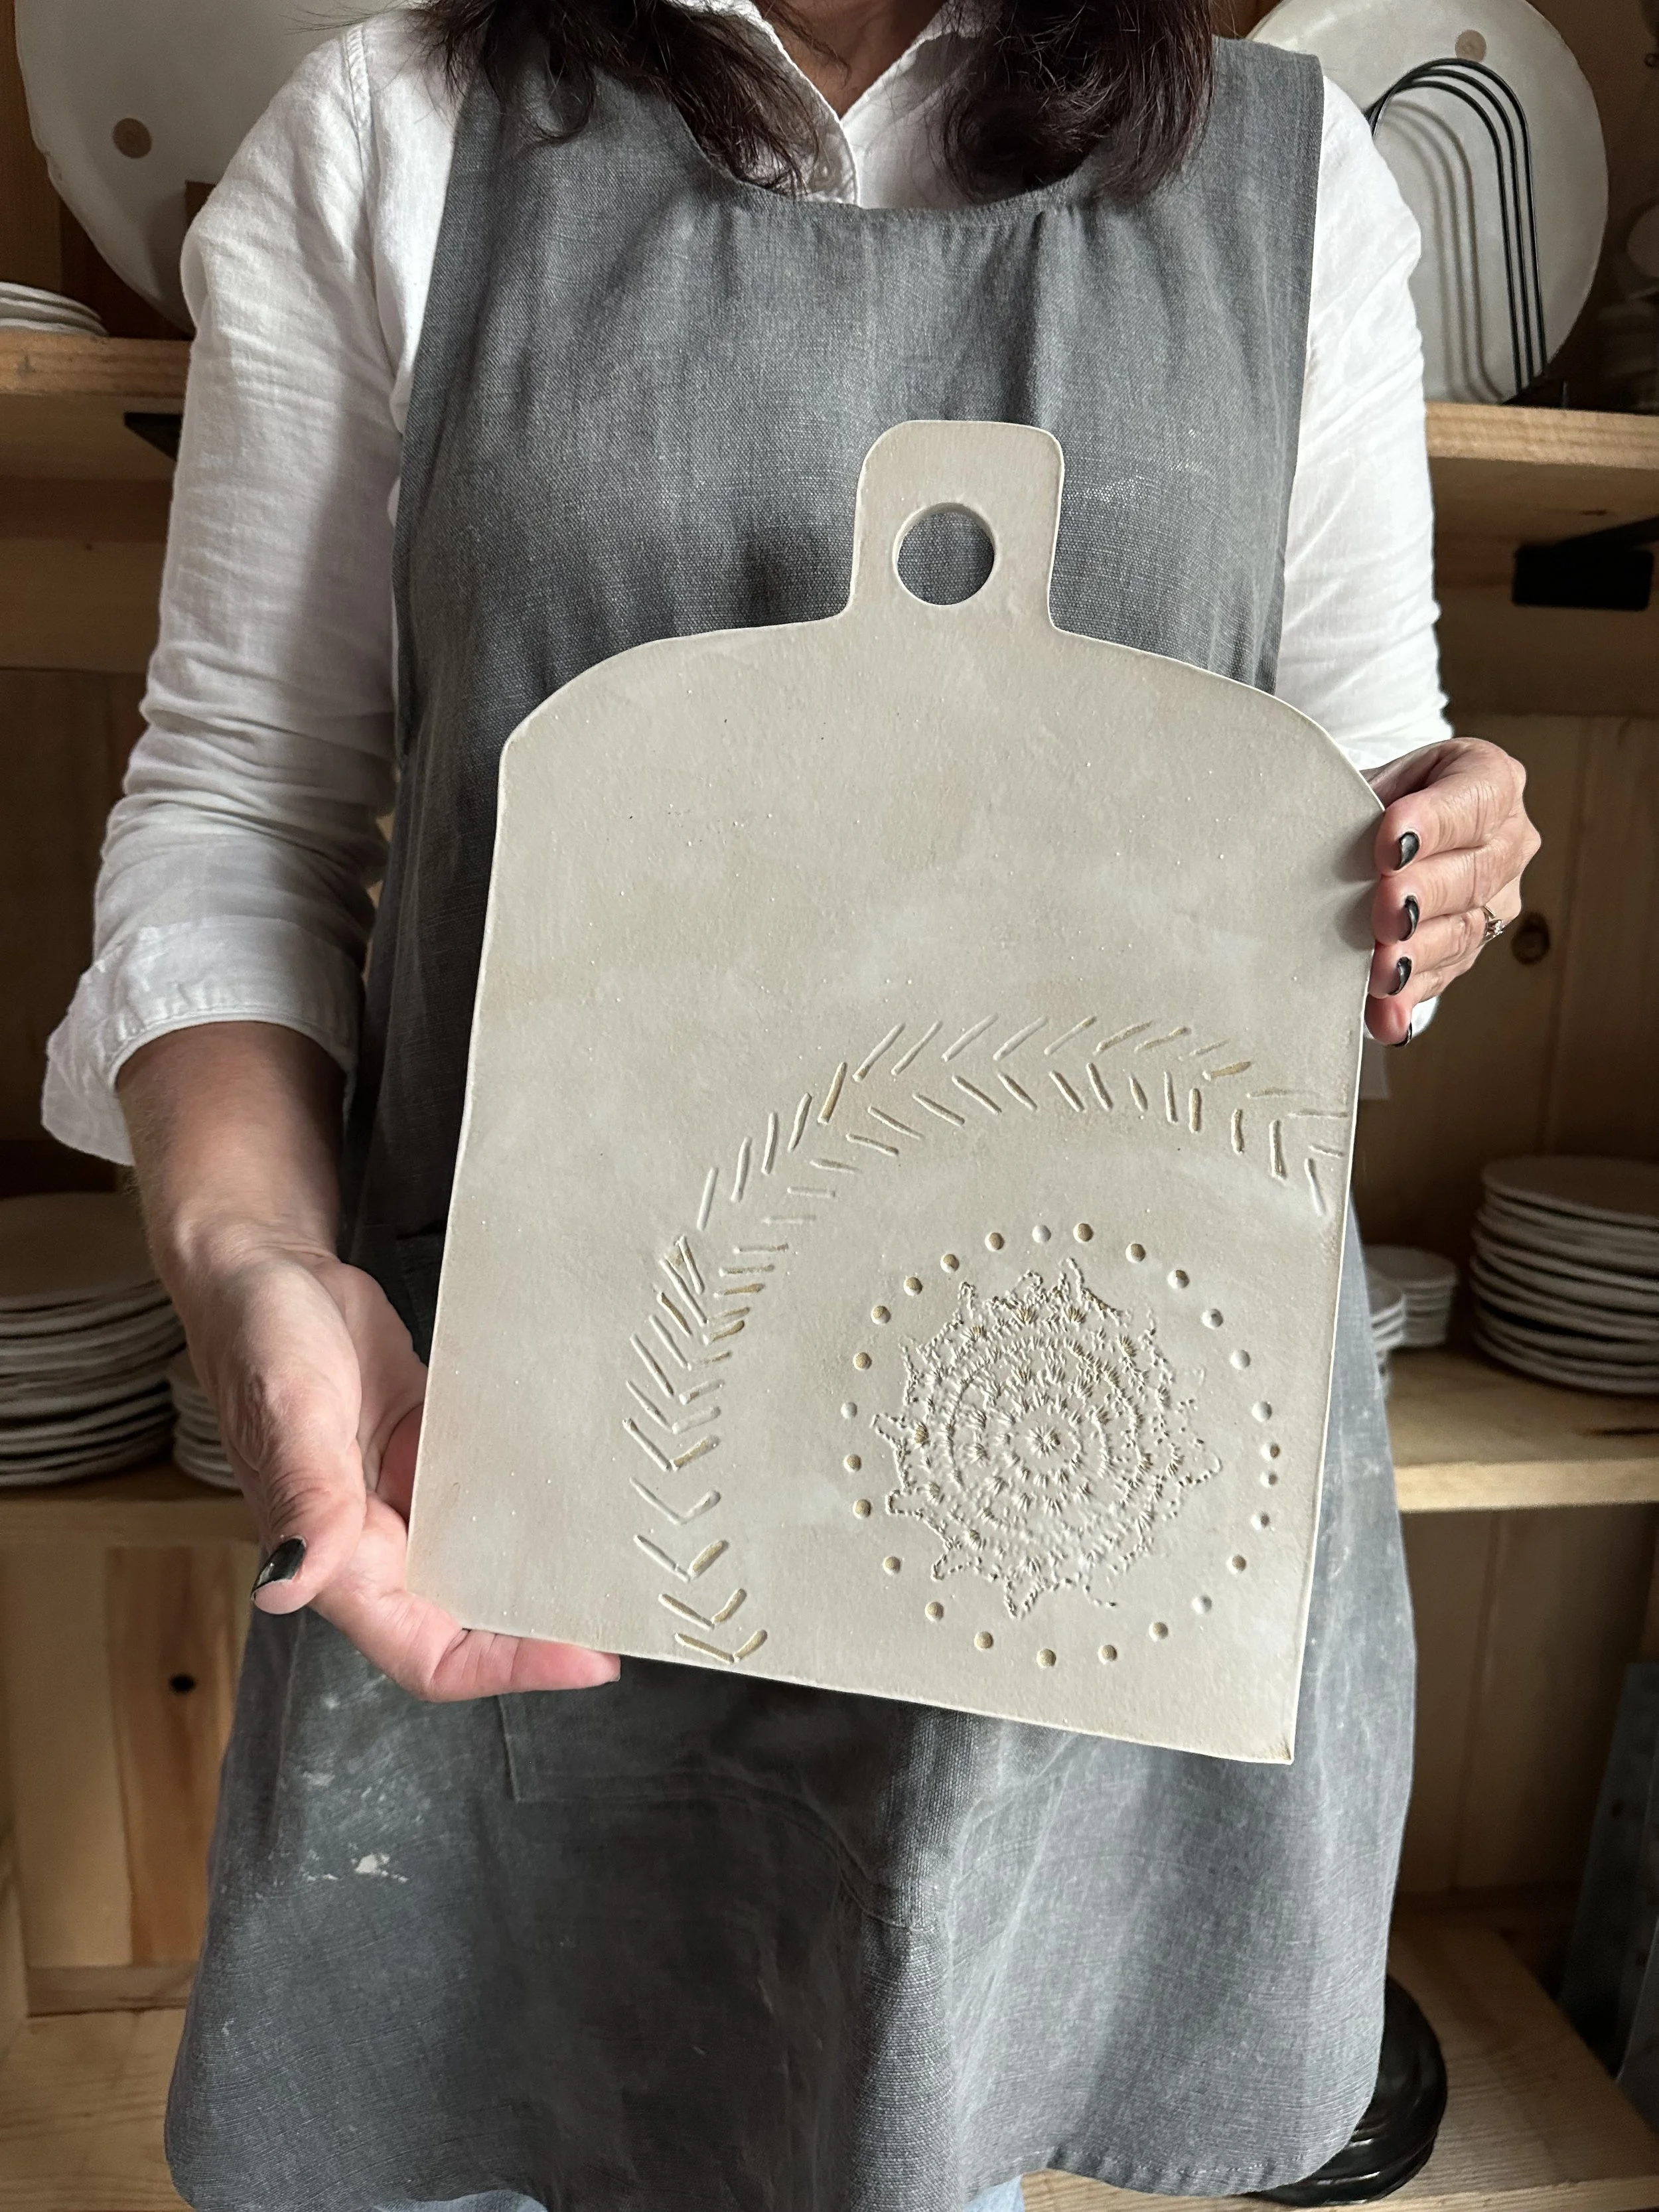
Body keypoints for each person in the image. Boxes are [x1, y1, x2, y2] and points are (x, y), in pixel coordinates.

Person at [45, 0, 1540, 2204]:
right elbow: (246, 812)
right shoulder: (396, 131)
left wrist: (1450, 856)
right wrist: (252, 1255)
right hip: (533, 1444)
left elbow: (1353, 770)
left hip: (1083, 1428)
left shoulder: (1294, 175)